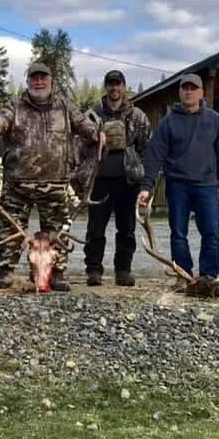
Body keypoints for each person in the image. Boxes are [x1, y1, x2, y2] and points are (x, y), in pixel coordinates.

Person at [0, 61, 104, 291]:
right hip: (18, 183)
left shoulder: (65, 107)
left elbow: (83, 125)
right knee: (10, 228)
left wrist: (97, 134)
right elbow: (0, 121)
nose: (38, 82)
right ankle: (5, 270)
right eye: (34, 78)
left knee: (58, 231)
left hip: (55, 182)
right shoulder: (15, 106)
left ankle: (57, 273)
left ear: (51, 81)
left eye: (43, 78)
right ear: (28, 82)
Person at [137, 73, 219, 292]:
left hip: (207, 185)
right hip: (178, 185)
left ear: (201, 92)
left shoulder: (214, 120)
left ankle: (209, 277)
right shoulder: (168, 122)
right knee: (178, 233)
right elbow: (154, 155)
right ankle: (183, 275)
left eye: (193, 88)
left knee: (211, 233)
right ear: (180, 92)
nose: (189, 92)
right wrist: (146, 186)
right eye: (185, 88)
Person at [80, 69, 151, 287]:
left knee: (127, 229)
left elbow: (147, 148)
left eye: (117, 83)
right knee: (95, 229)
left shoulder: (137, 115)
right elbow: (79, 146)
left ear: (123, 86)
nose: (114, 88)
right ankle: (94, 270)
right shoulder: (92, 115)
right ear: (106, 87)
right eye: (110, 84)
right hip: (98, 180)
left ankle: (123, 270)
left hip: (127, 181)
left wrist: (144, 179)